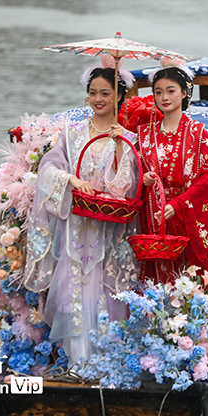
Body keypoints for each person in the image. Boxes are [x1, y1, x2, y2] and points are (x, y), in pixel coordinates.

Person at [23, 66, 140, 364]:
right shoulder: (72, 134)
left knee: (106, 291)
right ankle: (77, 362)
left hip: (108, 230)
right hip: (76, 225)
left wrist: (117, 148)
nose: (98, 99)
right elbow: (48, 170)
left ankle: (105, 364)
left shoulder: (128, 139)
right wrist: (70, 180)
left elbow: (125, 189)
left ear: (118, 97)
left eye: (105, 93)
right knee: (74, 292)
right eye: (92, 93)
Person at [138, 64, 208, 282]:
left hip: (187, 213)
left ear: (184, 93)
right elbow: (137, 171)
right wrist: (143, 179)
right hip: (156, 213)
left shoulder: (198, 132)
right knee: (158, 275)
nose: (164, 97)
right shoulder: (144, 134)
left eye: (171, 91)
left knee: (192, 278)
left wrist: (178, 204)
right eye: (158, 92)